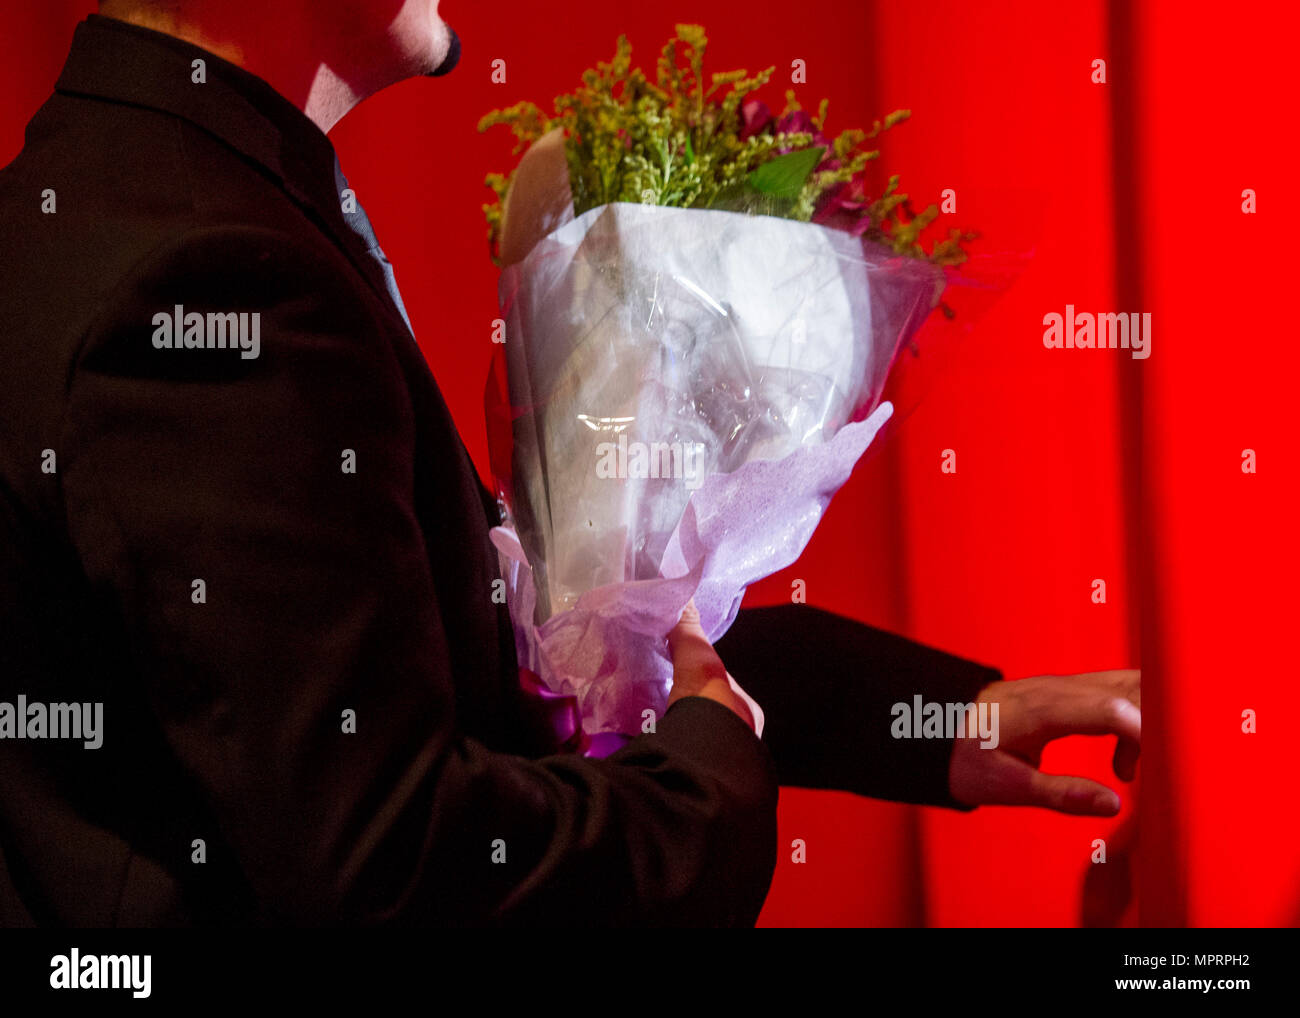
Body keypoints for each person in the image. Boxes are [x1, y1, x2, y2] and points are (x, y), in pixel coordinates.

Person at [0, 2, 1141, 928]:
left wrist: (947, 716)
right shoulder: (203, 271)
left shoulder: (147, 193)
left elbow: (466, 669)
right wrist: (706, 794)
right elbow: (388, 860)